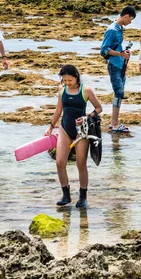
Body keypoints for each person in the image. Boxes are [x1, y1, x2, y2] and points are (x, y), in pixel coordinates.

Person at [45, 65, 102, 207]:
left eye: (70, 80)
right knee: (59, 163)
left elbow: (99, 108)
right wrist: (51, 127)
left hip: (81, 131)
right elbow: (59, 110)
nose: (67, 83)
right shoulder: (62, 89)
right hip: (64, 128)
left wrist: (87, 117)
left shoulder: (86, 90)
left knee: (81, 163)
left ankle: (83, 197)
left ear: (76, 77)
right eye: (64, 80)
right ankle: (66, 195)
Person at [100, 6, 136, 132]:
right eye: (130, 20)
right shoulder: (112, 30)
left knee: (120, 93)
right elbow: (104, 50)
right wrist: (121, 54)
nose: (129, 23)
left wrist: (123, 52)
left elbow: (116, 47)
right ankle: (114, 124)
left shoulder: (119, 28)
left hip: (121, 65)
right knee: (119, 92)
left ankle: (115, 122)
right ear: (126, 16)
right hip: (114, 65)